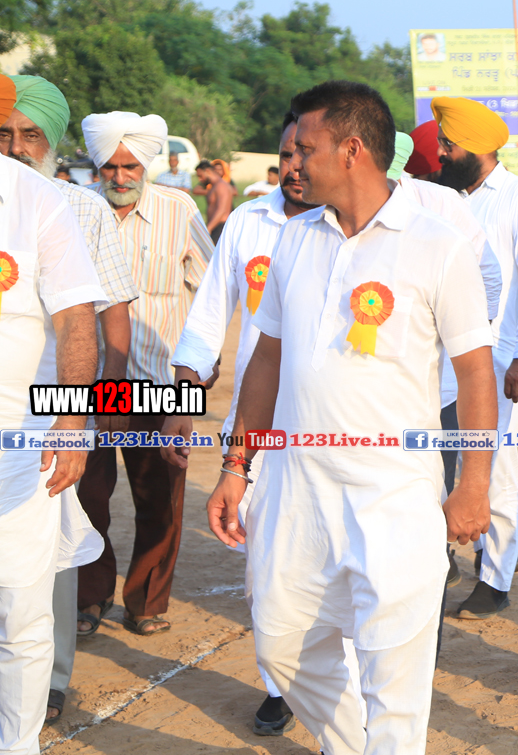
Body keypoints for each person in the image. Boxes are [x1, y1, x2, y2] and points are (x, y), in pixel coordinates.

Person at [205, 79, 496, 755]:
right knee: (281, 649)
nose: (292, 165)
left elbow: (476, 373)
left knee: (395, 678)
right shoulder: (294, 237)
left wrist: (475, 483)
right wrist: (236, 465)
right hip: (295, 489)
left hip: (393, 496)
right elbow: (267, 360)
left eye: (304, 150)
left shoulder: (438, 244)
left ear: (352, 150)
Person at [163, 110, 321, 736]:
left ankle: (332, 684)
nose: (294, 166)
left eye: (305, 153)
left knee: (326, 559)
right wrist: (181, 405)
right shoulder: (249, 223)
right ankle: (281, 684)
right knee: (263, 566)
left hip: (329, 423)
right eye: (286, 154)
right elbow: (207, 320)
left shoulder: (351, 225)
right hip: (253, 426)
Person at [0, 74, 139, 724]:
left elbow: (104, 316)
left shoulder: (71, 206)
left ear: (52, 141)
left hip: (45, 419)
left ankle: (48, 685)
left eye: (31, 134)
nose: (17, 145)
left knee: (39, 574)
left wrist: (89, 409)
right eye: (6, 133)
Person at [77, 111, 213, 638]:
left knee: (161, 498)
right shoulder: (75, 208)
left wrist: (200, 367)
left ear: (147, 165)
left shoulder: (179, 209)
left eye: (130, 166)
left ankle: (146, 604)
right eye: (109, 167)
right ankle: (89, 597)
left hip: (163, 383)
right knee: (84, 494)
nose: (119, 176)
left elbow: (211, 292)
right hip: (86, 385)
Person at [432, 96, 518, 619]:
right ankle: (447, 558)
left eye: (448, 144)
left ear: (475, 147)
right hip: (448, 355)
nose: (441, 152)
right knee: (445, 458)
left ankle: (495, 576)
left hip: (502, 359)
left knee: (496, 465)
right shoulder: (449, 198)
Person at [389, 129, 503, 591]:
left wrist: (462, 333)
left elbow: (491, 276)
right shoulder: (307, 221)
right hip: (351, 409)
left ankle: (442, 567)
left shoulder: (438, 205)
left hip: (438, 388)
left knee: (433, 490)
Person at [195, 159, 235, 242]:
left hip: (220, 228)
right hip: (215, 227)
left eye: (201, 176)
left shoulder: (221, 186)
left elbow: (222, 210)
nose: (200, 179)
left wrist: (208, 228)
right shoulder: (214, 186)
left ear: (207, 171)